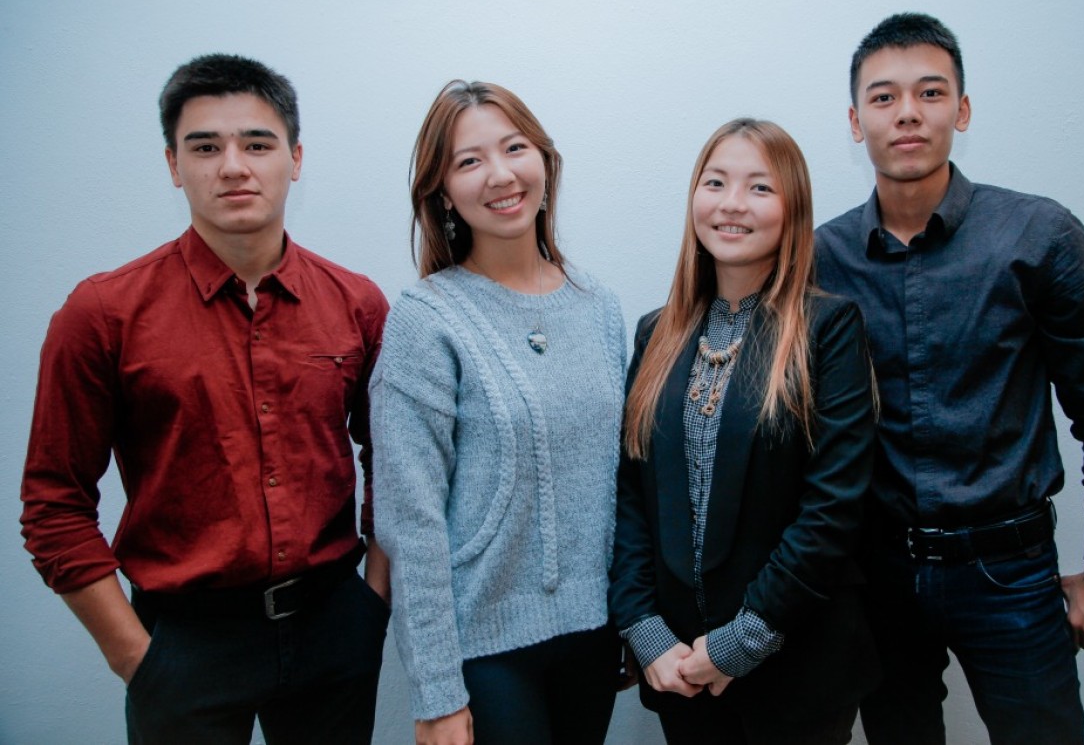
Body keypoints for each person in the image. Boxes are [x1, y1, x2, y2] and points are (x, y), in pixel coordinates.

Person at [19, 54, 391, 744]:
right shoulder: (103, 313)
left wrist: (374, 599)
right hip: (184, 643)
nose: (233, 167)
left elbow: (395, 461)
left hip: (333, 627)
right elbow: (53, 503)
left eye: (257, 144)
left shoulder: (356, 303)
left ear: (295, 158)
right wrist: (137, 659)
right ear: (173, 165)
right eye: (205, 147)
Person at [814, 12, 1084, 745]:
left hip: (1012, 572)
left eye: (930, 92)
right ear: (855, 121)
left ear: (961, 111)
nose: (907, 113)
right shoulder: (821, 258)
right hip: (878, 574)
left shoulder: (1037, 235)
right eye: (883, 97)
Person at [370, 80, 626, 745]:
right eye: (469, 160)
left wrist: (634, 616)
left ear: (545, 160)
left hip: (595, 637)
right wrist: (435, 694)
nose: (501, 175)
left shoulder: (599, 306)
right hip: (484, 650)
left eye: (515, 148)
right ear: (442, 192)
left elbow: (619, 480)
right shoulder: (426, 319)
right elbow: (411, 522)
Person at [609, 118, 879, 745]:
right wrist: (645, 631)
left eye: (759, 188)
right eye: (715, 183)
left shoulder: (828, 327)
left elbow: (834, 509)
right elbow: (629, 497)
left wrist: (741, 642)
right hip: (678, 665)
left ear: (793, 209)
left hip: (797, 662)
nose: (732, 204)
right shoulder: (656, 333)